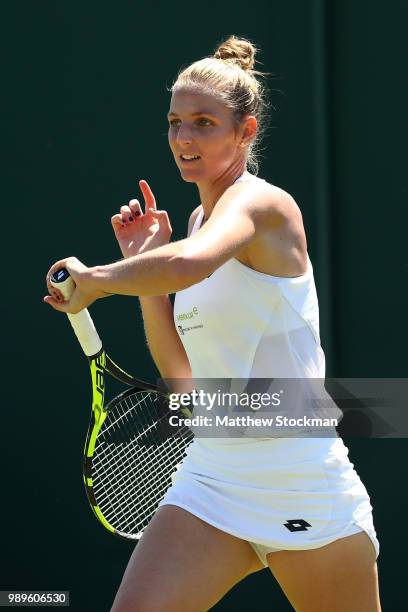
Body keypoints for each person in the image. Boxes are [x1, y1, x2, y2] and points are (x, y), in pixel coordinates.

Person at [45, 36, 381, 612]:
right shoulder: (199, 222)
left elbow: (188, 264)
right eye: (175, 122)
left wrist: (100, 278)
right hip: (212, 480)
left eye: (203, 123)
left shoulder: (264, 206)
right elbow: (184, 382)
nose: (183, 138)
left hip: (298, 478)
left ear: (245, 132)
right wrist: (150, 279)